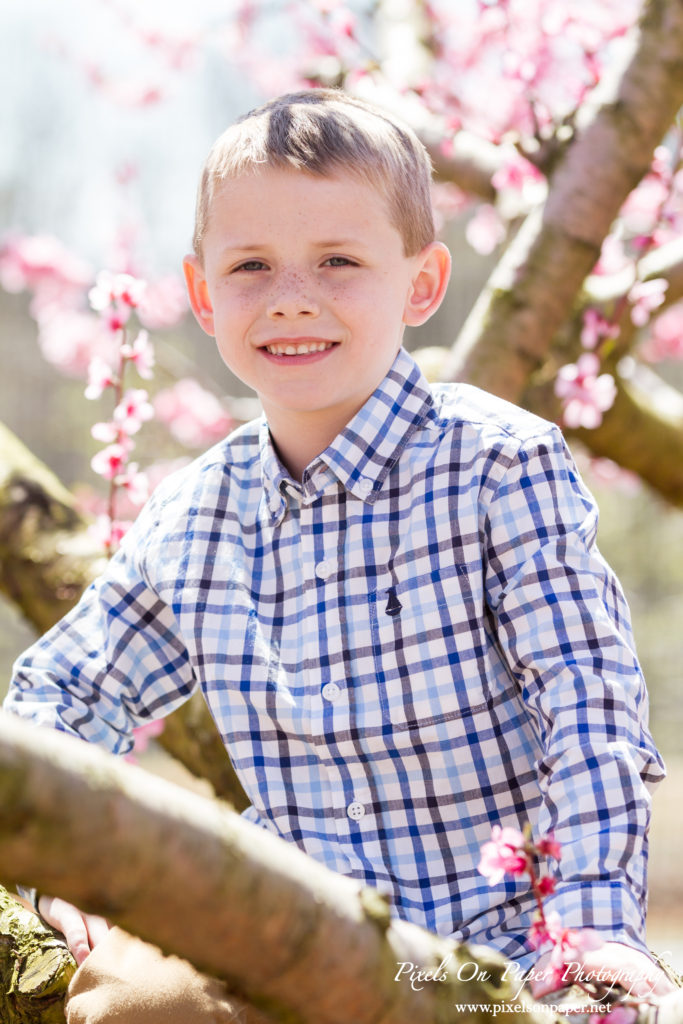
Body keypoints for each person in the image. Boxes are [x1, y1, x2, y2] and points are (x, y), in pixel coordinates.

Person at [3, 88, 675, 1020]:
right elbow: (61, 694)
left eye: (337, 260)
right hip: (285, 939)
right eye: (250, 266)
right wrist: (55, 872)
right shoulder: (196, 517)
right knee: (125, 1003)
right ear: (201, 293)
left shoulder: (498, 466)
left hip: (500, 953)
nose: (291, 298)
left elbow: (588, 708)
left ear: (421, 282)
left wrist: (593, 924)